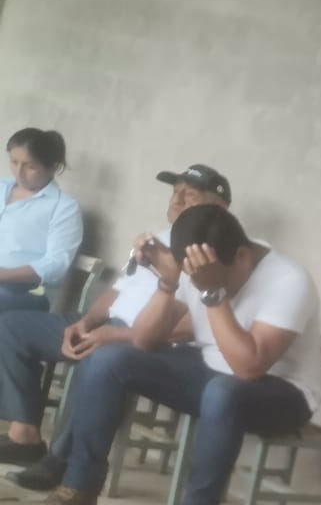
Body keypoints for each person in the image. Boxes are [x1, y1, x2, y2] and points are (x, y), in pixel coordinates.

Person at [32, 203, 321, 505]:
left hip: (282, 392)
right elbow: (145, 340)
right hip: (211, 371)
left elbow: (249, 368)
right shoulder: (196, 266)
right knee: (108, 359)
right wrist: (168, 283)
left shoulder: (288, 280)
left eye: (207, 277)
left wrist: (212, 293)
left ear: (243, 256)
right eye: (191, 275)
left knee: (224, 392)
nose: (196, 281)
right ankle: (79, 493)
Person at [0, 164, 232, 475]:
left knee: (100, 359)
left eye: (189, 196)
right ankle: (25, 437)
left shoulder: (216, 254)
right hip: (107, 326)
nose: (177, 201)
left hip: (151, 343)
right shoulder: (157, 239)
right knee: (11, 327)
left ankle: (64, 463)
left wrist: (119, 336)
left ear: (220, 207)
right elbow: (118, 289)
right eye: (175, 193)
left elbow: (197, 324)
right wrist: (86, 323)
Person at [0, 128, 81, 317]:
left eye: (30, 167)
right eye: (14, 162)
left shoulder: (63, 207)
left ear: (53, 167)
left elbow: (56, 264)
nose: (18, 173)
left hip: (22, 292)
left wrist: (3, 275)